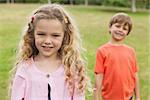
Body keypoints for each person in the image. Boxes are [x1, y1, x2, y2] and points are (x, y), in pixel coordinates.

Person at [10, 4, 88, 100]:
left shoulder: (71, 69)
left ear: (65, 36)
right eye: (41, 34)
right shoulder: (25, 69)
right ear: (32, 34)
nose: (47, 41)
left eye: (55, 35)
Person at [94, 13, 140, 100]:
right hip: (109, 97)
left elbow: (135, 75)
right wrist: (96, 97)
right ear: (110, 27)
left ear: (127, 33)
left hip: (128, 97)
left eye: (124, 28)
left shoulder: (131, 51)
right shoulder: (102, 51)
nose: (120, 30)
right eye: (118, 26)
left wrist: (138, 97)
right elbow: (99, 77)